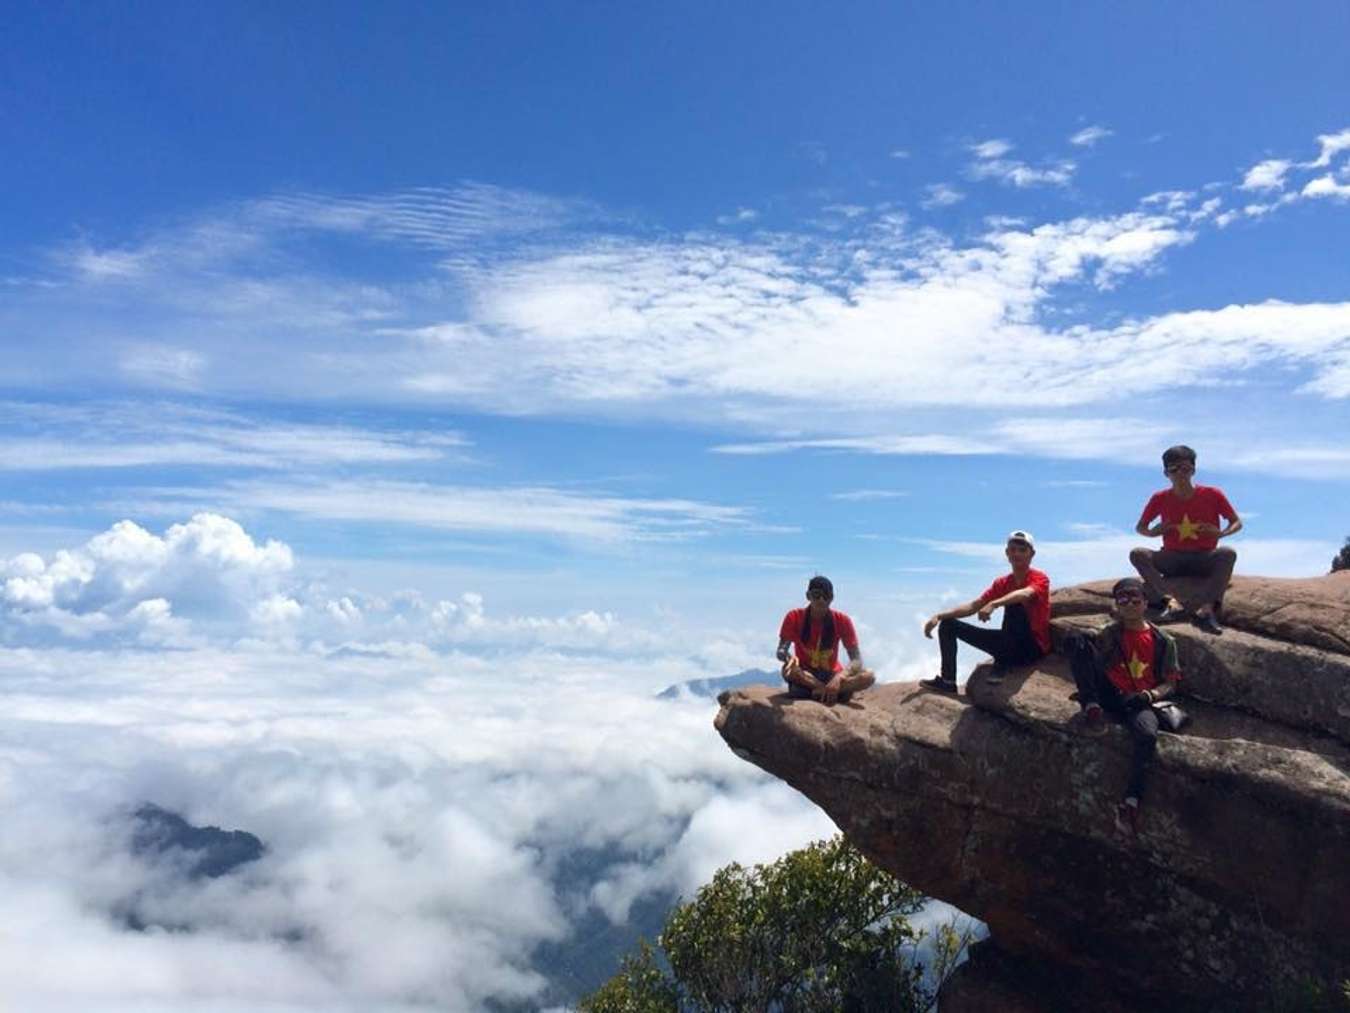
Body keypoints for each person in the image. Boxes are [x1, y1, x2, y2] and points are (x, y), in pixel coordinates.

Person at [1068, 577, 1184, 836]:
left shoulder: (1164, 640)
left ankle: (1130, 802)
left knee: (1146, 735)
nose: (1129, 604)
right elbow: (1090, 641)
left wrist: (1148, 695)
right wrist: (1085, 638)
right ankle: (1091, 705)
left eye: (1135, 599)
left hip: (1137, 701)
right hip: (1109, 692)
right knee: (1076, 639)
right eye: (1123, 599)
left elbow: (1171, 683)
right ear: (1116, 605)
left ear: (1145, 603)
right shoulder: (1109, 632)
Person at [919, 530, 1050, 693]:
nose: (1017, 554)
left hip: (1031, 648)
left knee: (1016, 606)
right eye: (1013, 549)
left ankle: (1003, 662)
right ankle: (948, 681)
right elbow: (974, 606)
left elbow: (1026, 593)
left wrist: (995, 603)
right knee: (948, 625)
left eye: (1022, 550)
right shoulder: (1002, 583)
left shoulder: (1040, 578)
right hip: (1006, 644)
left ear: (1032, 554)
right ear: (1007, 553)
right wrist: (939, 616)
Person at [1131, 444, 1242, 635]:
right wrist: (1153, 532)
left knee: (1227, 553)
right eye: (1174, 469)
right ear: (1166, 473)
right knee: (1138, 554)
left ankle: (1206, 611)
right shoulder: (1160, 498)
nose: (1180, 474)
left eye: (1185, 468)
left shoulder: (1212, 494)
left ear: (1193, 470)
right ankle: (1170, 602)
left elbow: (1236, 522)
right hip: (1172, 559)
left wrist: (1221, 534)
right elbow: (1140, 527)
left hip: (1204, 557)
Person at [777, 575, 875, 705]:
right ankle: (832, 692)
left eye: (826, 595)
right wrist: (788, 657)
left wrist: (839, 678)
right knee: (789, 671)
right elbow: (781, 650)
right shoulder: (794, 617)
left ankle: (818, 692)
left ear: (832, 598)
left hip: (832, 674)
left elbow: (856, 659)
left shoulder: (842, 620)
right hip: (805, 675)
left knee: (869, 676)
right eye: (816, 595)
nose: (821, 600)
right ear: (808, 596)